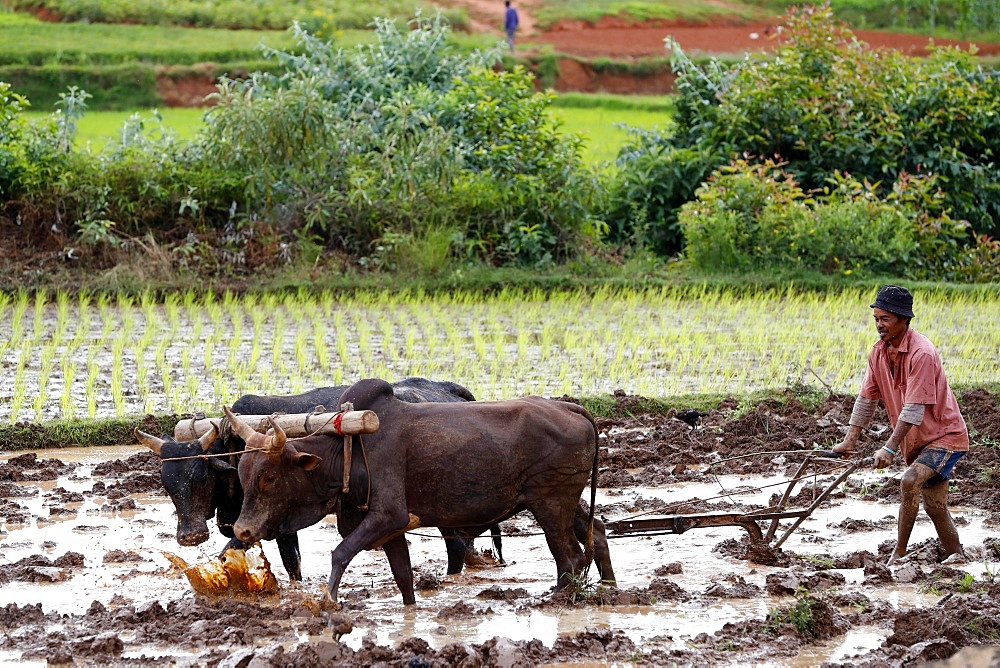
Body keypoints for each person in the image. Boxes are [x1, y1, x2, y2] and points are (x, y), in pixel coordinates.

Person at [832, 285, 969, 566]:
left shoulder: (923, 354)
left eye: (885, 319)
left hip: (945, 435)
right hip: (918, 440)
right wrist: (849, 441)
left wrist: (889, 448)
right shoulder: (879, 352)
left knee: (909, 480)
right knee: (935, 506)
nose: (879, 325)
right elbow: (866, 399)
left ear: (904, 319)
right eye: (876, 319)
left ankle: (899, 554)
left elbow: (914, 408)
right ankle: (956, 556)